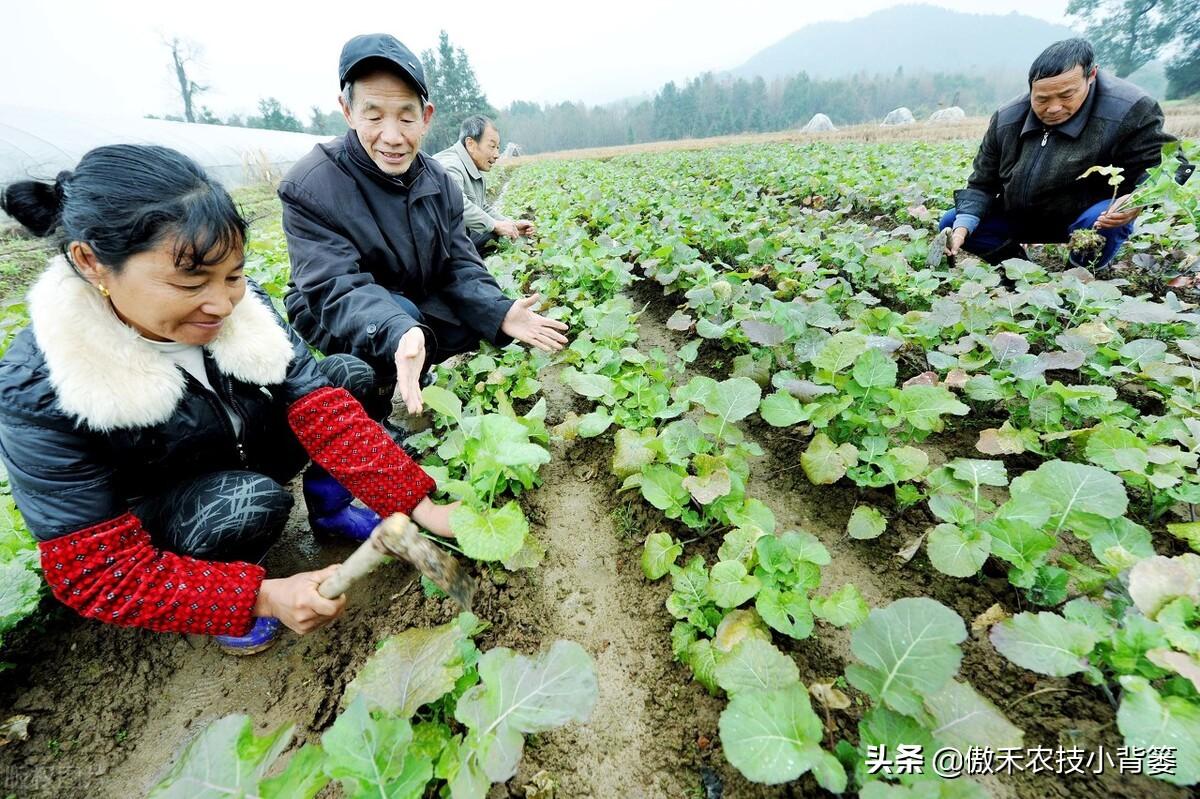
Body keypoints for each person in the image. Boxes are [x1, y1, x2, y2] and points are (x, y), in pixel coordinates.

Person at [0, 144, 458, 655]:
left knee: (343, 377)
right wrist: (260, 596)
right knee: (244, 506)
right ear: (92, 263)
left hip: (243, 446)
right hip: (174, 502)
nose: (222, 303)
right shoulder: (39, 385)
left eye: (234, 275)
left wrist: (420, 507)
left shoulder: (243, 306)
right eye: (190, 282)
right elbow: (97, 571)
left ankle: (329, 511)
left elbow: (320, 406)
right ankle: (223, 598)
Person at [279, 33, 567, 421]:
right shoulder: (310, 185)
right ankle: (381, 400)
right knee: (399, 319)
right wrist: (398, 329)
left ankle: (413, 356)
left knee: (471, 320)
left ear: (426, 117)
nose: (393, 136)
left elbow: (459, 262)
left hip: (408, 286)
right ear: (348, 112)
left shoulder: (438, 180)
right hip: (331, 307)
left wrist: (499, 311)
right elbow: (335, 285)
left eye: (406, 116)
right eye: (374, 115)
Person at [942, 38, 1187, 270]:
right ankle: (1020, 271)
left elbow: (1170, 165)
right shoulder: (1007, 118)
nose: (1054, 108)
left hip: (1085, 219)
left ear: (1091, 75)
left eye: (1067, 95)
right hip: (1022, 216)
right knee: (953, 221)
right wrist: (963, 228)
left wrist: (1137, 200)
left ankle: (1076, 276)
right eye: (1042, 99)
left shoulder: (1130, 109)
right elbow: (980, 185)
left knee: (1104, 220)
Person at [434, 115, 534, 256]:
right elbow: (457, 205)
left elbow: (482, 206)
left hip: (451, 239)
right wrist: (495, 225)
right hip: (435, 248)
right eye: (492, 147)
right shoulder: (449, 166)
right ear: (471, 144)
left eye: (498, 148)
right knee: (493, 234)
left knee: (499, 235)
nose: (497, 154)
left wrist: (511, 225)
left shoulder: (472, 168)